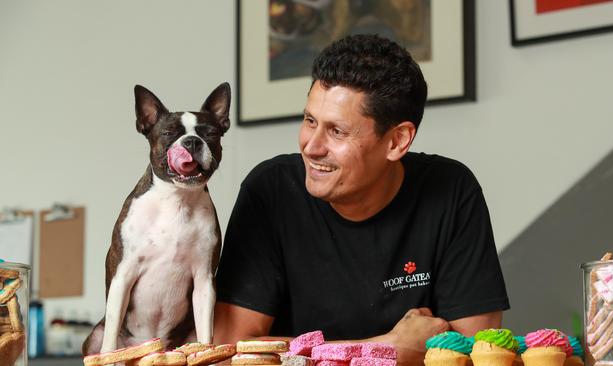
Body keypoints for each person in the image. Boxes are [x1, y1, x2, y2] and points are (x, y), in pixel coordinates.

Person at [213, 34, 509, 364]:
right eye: (310, 121)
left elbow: (477, 354)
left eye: (337, 131)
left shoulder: (452, 191)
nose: (311, 147)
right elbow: (231, 354)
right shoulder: (269, 192)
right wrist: (385, 350)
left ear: (397, 141)